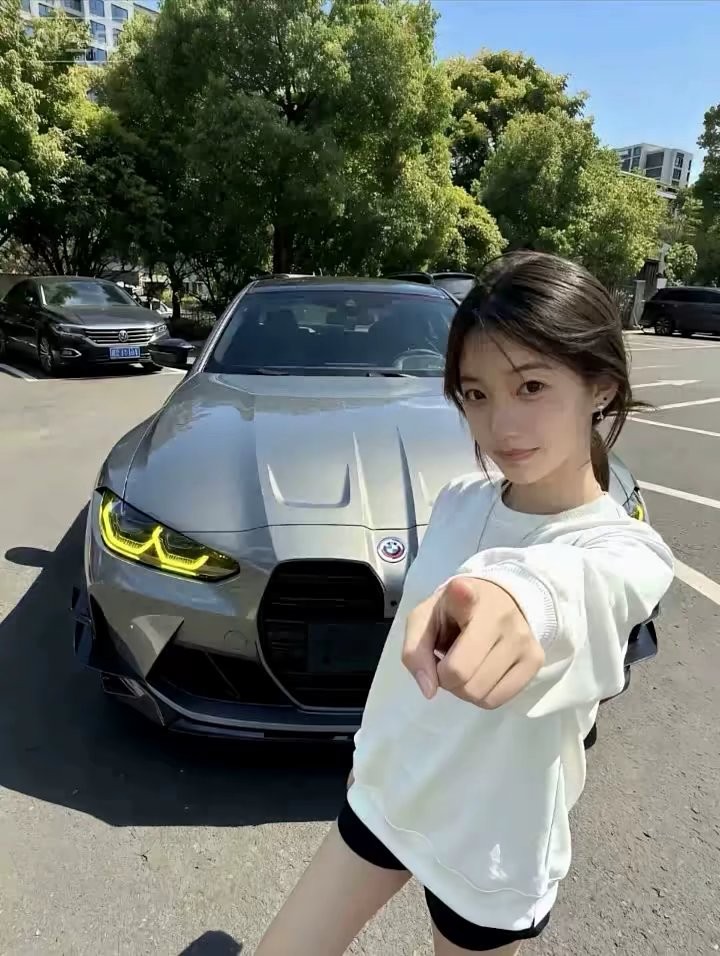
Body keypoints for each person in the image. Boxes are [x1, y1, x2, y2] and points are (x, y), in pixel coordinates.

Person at [256, 251, 674, 956]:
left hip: (491, 848)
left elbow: (572, 591)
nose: (500, 424)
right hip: (389, 794)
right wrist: (369, 750)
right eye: (476, 394)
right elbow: (401, 660)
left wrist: (516, 600)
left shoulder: (624, 549)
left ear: (600, 386)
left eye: (531, 386)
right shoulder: (458, 500)